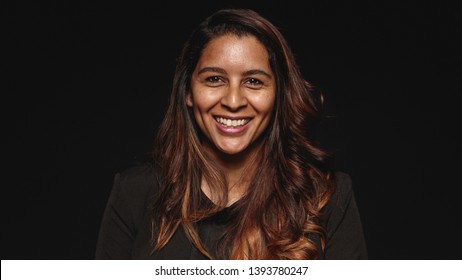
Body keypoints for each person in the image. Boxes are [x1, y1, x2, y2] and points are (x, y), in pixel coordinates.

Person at [95, 8, 367, 260]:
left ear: (278, 95)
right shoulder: (134, 193)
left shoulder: (328, 198)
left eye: (253, 81)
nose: (234, 101)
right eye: (214, 79)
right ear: (188, 92)